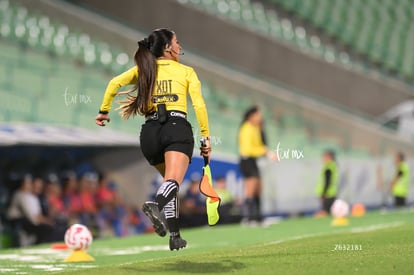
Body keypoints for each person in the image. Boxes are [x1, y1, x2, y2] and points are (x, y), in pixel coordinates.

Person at [95, 28, 211, 250]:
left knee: (169, 184)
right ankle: (156, 205)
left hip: (149, 135)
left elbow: (113, 84)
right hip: (176, 129)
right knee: (171, 184)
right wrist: (206, 137)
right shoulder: (186, 71)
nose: (180, 47)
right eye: (177, 42)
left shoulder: (144, 69)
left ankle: (175, 235)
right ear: (167, 48)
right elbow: (199, 105)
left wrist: (103, 111)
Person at [238, 106, 275, 225]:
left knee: (258, 188)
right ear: (251, 116)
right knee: (250, 189)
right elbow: (248, 149)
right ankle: (249, 218)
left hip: (253, 160)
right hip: (247, 160)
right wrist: (265, 151)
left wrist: (265, 150)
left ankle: (258, 217)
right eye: (258, 115)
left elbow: (260, 144)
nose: (260, 117)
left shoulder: (255, 128)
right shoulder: (246, 129)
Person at [316, 150, 338, 214]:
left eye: (325, 156)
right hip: (331, 193)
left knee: (326, 212)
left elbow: (327, 181)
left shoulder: (329, 167)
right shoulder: (333, 166)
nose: (323, 158)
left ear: (329, 157)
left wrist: (323, 193)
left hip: (328, 194)